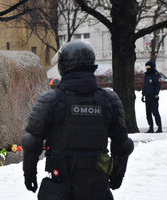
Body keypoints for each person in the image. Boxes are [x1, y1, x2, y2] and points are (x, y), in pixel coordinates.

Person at [22, 41, 134, 200]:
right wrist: (118, 174)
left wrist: (29, 173)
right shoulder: (109, 100)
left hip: (61, 185)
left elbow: (32, 141)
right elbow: (123, 143)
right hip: (98, 185)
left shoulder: (51, 99)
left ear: (63, 66)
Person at [141, 61, 162, 133]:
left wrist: (156, 94)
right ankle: (151, 127)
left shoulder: (155, 74)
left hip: (153, 96)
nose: (147, 68)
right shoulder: (146, 75)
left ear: (152, 67)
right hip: (147, 96)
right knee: (148, 113)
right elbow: (145, 86)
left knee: (155, 112)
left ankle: (159, 127)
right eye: (146, 67)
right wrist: (143, 94)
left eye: (148, 67)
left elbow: (158, 85)